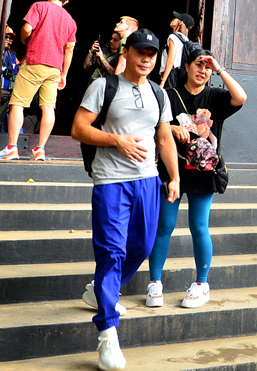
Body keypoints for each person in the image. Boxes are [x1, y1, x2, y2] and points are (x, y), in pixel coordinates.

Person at [71, 29, 181, 371]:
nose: (146, 59)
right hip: (111, 181)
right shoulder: (104, 86)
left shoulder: (159, 93)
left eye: (152, 54)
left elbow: (164, 138)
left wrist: (174, 177)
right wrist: (116, 141)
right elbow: (78, 128)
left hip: (148, 180)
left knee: (143, 246)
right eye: (140, 52)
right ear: (127, 53)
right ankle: (107, 334)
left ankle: (102, 290)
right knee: (112, 252)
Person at [147, 44, 246, 308]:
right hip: (172, 170)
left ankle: (202, 285)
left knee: (199, 226)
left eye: (207, 67)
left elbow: (241, 97)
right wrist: (172, 128)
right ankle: (154, 283)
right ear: (187, 66)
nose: (203, 70)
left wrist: (219, 68)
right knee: (164, 226)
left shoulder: (216, 96)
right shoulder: (169, 95)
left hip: (203, 173)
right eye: (198, 64)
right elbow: (154, 124)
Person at [0, 0, 77, 161]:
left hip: (34, 62)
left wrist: (24, 40)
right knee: (48, 108)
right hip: (55, 68)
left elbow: (27, 28)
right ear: (66, 1)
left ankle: (12, 148)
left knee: (18, 104)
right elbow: (69, 50)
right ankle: (40, 150)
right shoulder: (71, 21)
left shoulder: (39, 6)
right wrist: (64, 74)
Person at [159, 12, 194, 90]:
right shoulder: (185, 39)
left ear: (181, 22)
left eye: (176, 18)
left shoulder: (173, 37)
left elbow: (171, 61)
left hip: (170, 75)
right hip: (179, 75)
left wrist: (163, 81)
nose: (173, 19)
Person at [0, 26, 19, 131]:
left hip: (6, 95)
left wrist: (12, 97)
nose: (8, 40)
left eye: (11, 38)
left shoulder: (12, 56)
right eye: (6, 37)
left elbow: (15, 76)